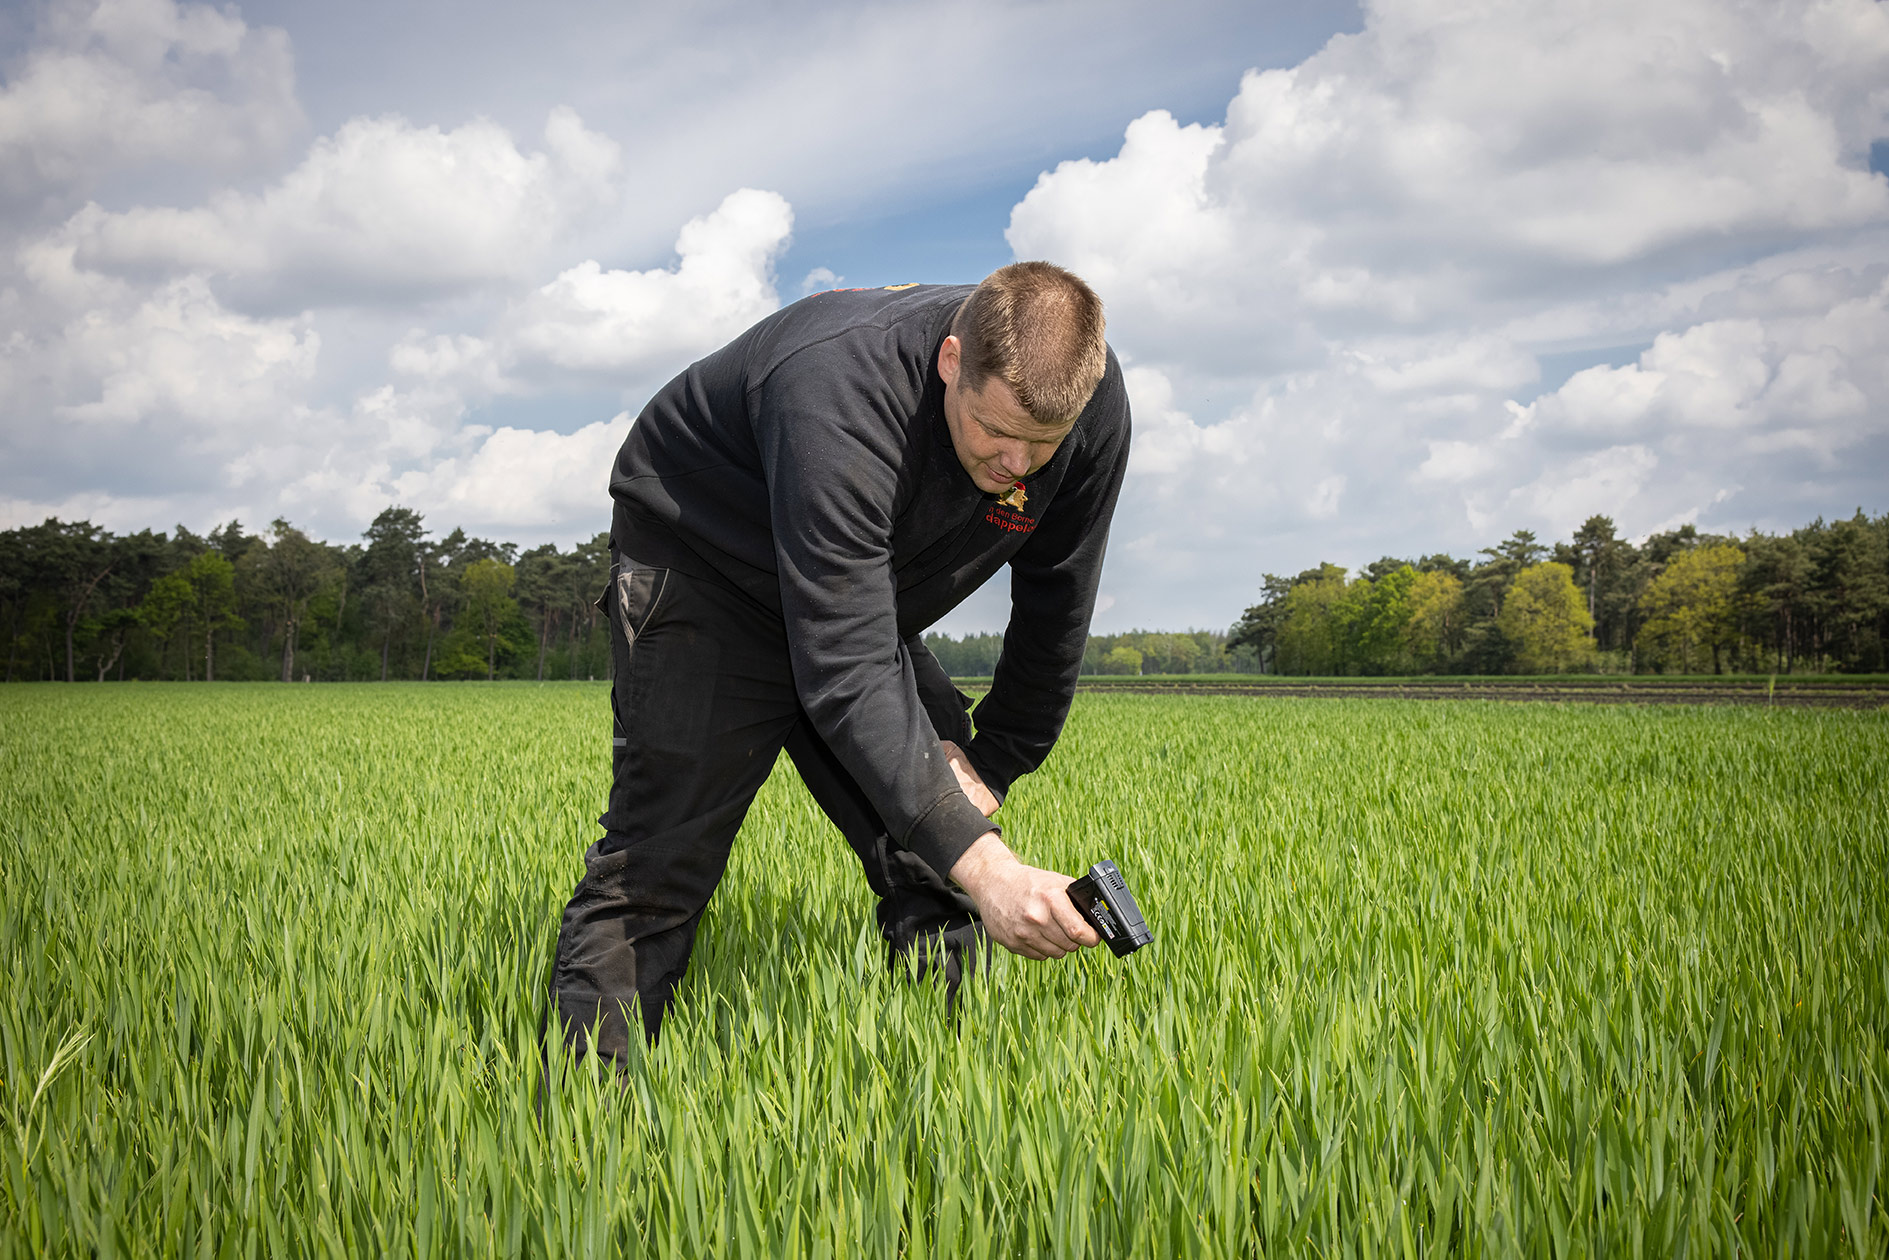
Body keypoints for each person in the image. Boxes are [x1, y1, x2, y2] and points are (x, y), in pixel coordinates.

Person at [549, 261, 1132, 1058]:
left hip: (856, 591)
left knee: (938, 845)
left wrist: (991, 765)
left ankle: (951, 1091)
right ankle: (586, 1128)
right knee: (657, 870)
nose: (1016, 468)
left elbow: (1057, 598)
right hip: (707, 572)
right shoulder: (838, 385)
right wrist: (996, 874)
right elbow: (845, 665)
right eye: (994, 432)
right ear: (951, 361)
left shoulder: (1088, 402)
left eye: (1043, 444)